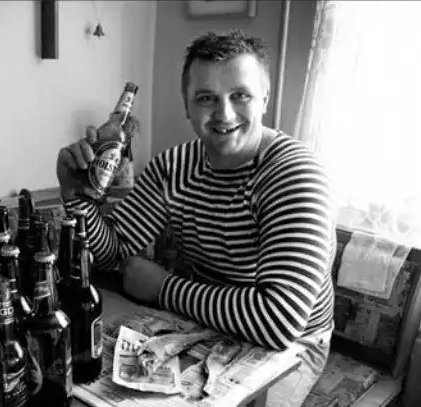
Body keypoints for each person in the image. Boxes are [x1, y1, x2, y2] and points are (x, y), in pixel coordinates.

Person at [56, 29, 336, 407]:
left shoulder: (295, 174)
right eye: (206, 98)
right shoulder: (173, 167)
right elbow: (110, 253)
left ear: (265, 99)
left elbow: (278, 321)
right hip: (203, 326)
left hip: (292, 348)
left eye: (240, 95)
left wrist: (162, 288)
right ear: (187, 106)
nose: (224, 114)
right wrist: (77, 197)